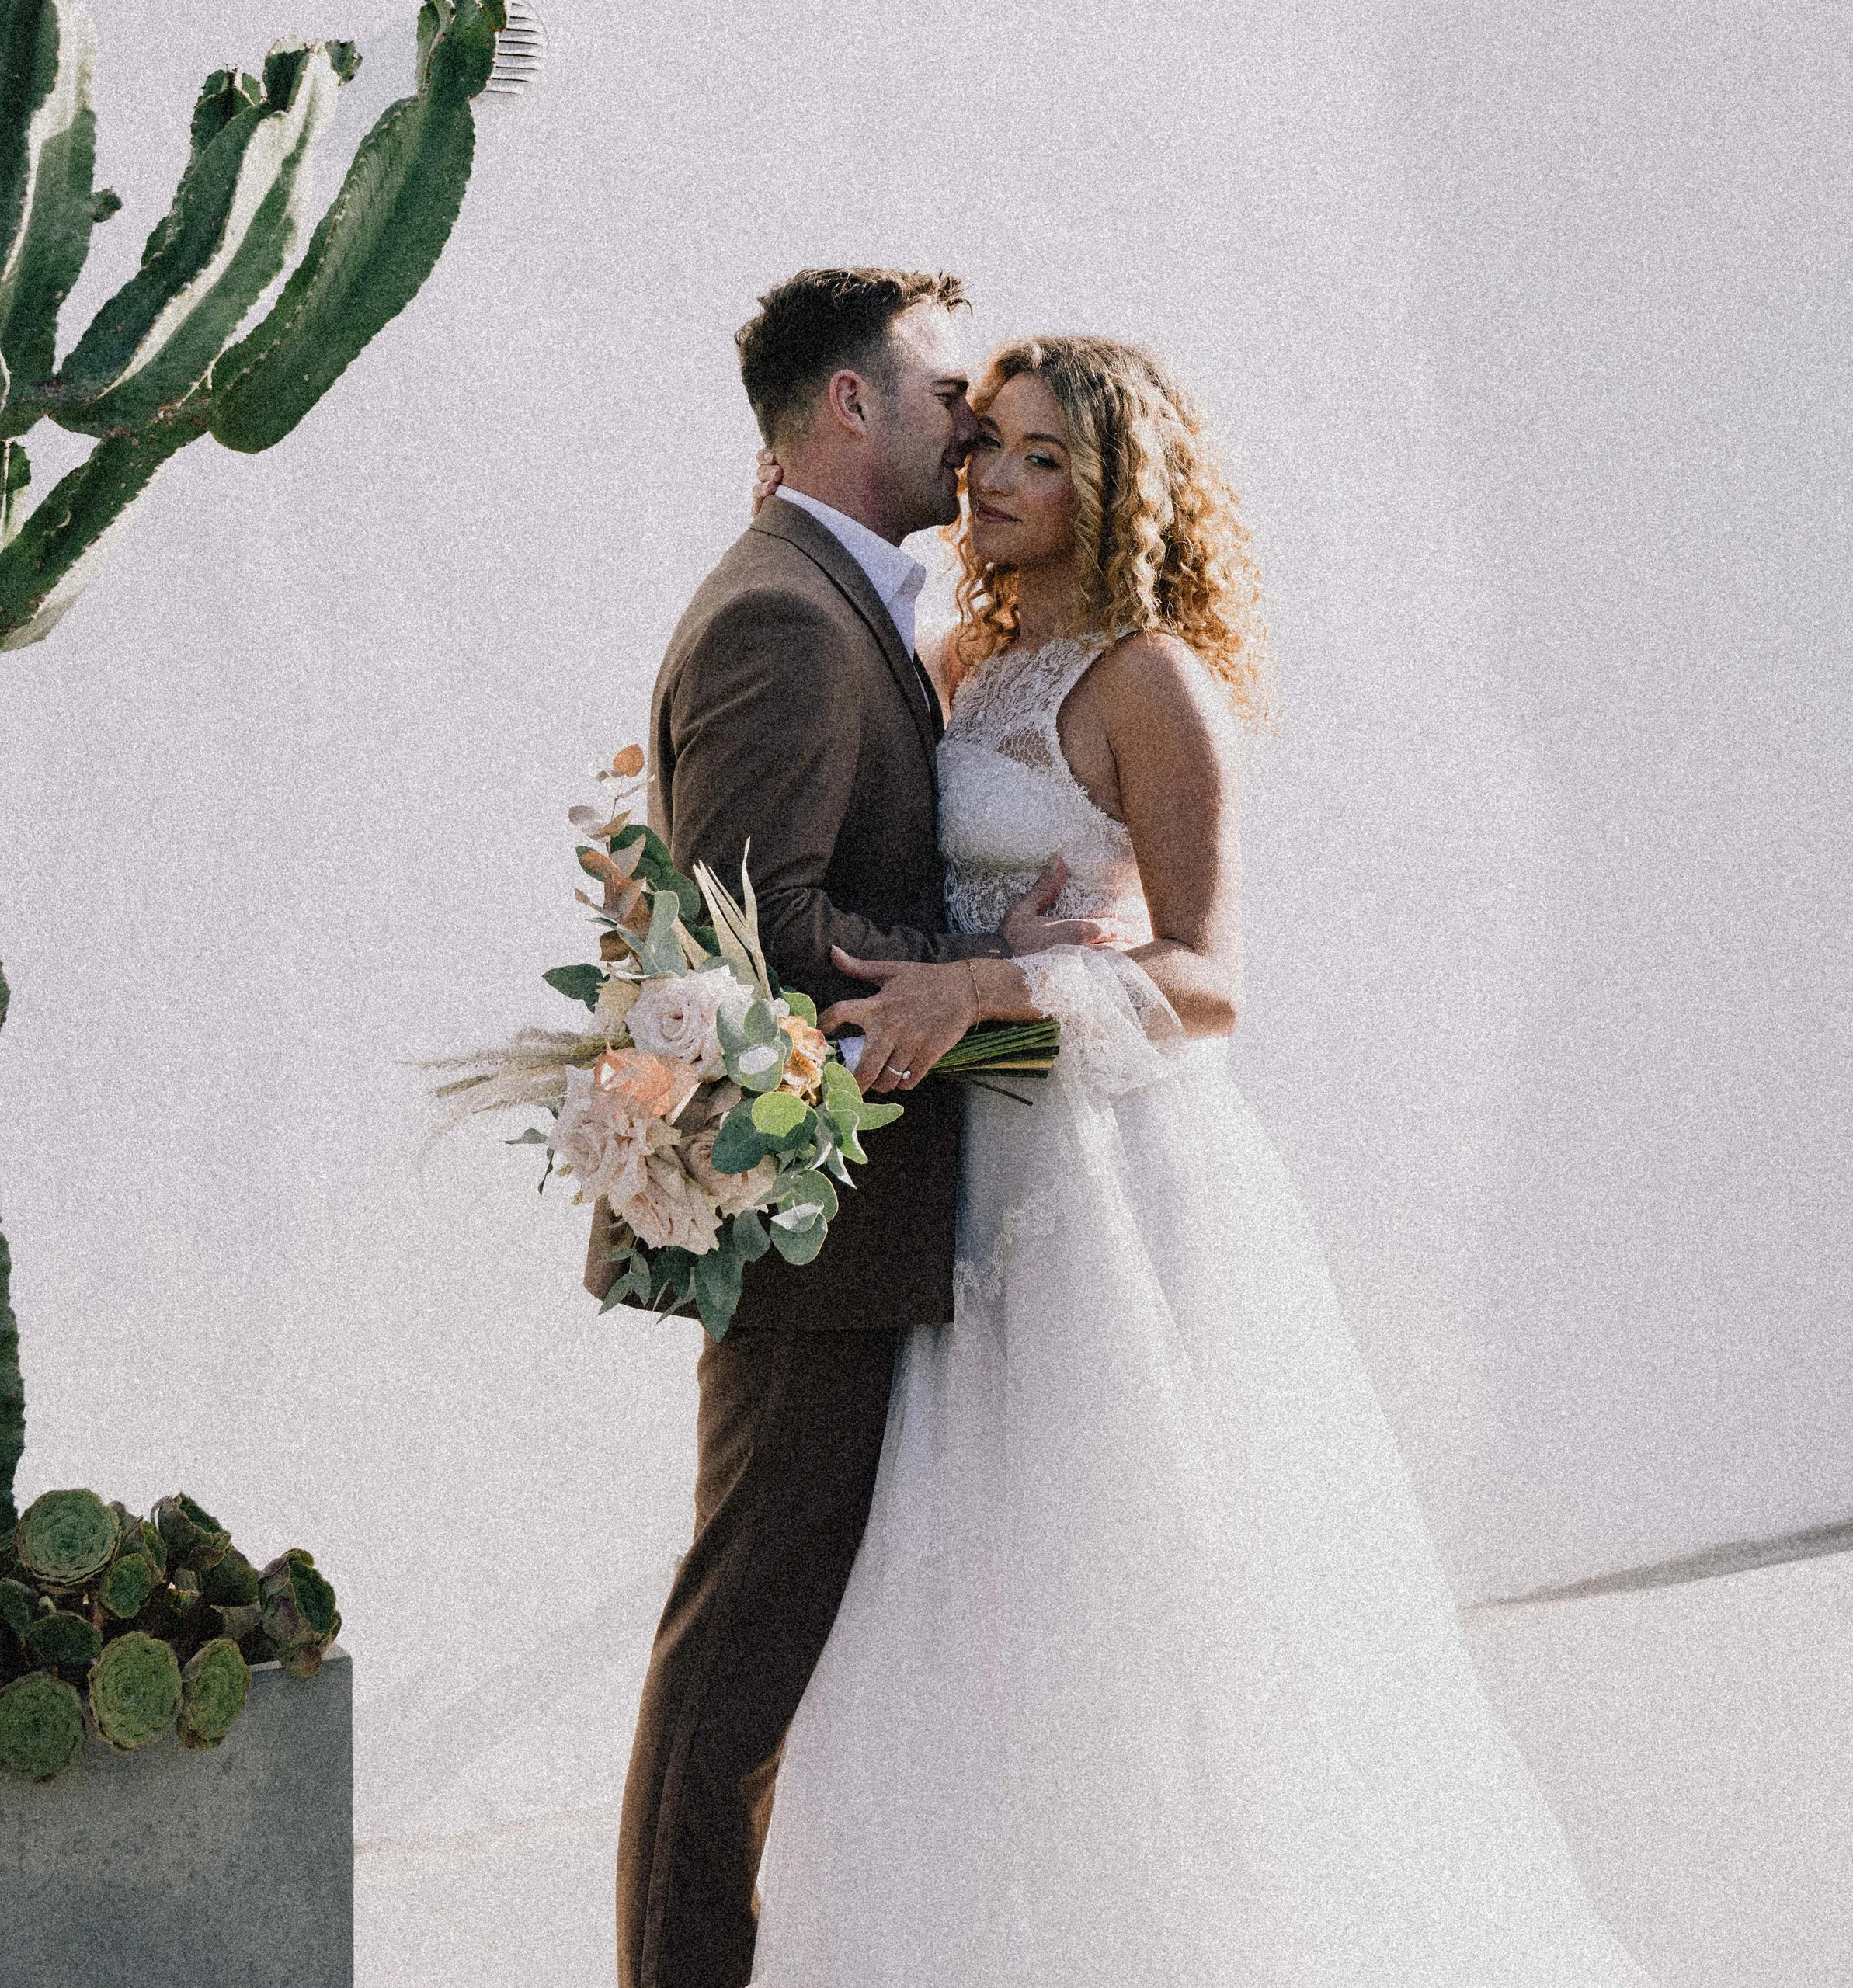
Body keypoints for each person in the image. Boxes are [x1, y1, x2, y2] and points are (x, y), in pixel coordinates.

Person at [749, 334, 1657, 1987]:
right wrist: (954, 937)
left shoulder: (1150, 679)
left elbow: (1210, 977)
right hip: (963, 1180)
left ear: (1113, 484)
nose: (990, 477)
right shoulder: (962, 655)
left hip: (1103, 1188)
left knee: (1121, 1595)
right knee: (957, 1599)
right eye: (987, 447)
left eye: (1035, 454)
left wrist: (1000, 979)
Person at [596, 270, 1108, 1988]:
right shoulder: (783, 614)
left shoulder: (822, 595)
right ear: (844, 406)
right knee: (740, 1646)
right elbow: (771, 940)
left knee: (765, 1638)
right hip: (804, 1218)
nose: (967, 422)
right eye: (943, 388)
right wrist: (1003, 965)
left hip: (858, 1209)